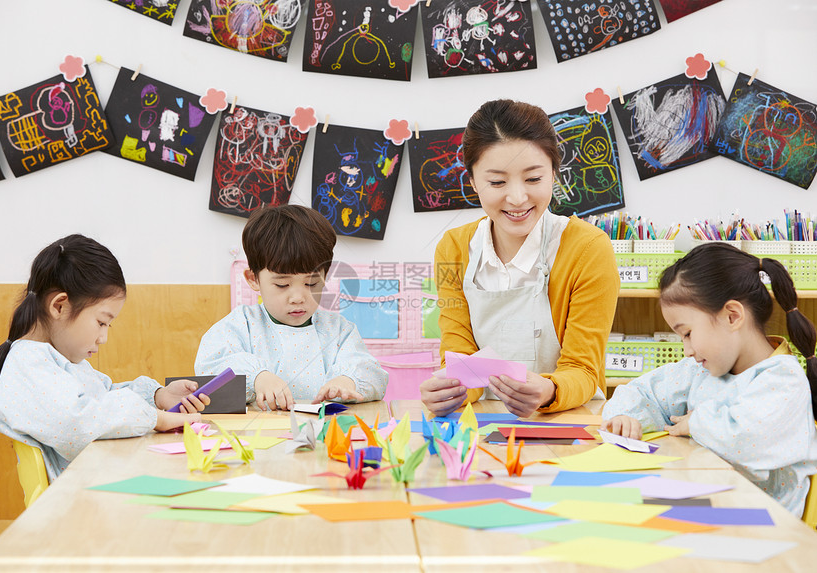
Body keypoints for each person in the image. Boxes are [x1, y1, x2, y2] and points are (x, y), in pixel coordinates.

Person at [421, 99, 620, 417]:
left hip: (566, 420)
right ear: (472, 182)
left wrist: (549, 390)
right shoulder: (452, 249)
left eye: (533, 179)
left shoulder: (589, 249)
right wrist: (451, 387)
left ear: (554, 173)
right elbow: (459, 355)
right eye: (497, 182)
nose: (517, 198)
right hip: (482, 422)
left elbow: (584, 370)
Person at [0, 234, 209, 481]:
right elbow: (76, 423)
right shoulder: (27, 365)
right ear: (59, 306)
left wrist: (157, 397)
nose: (103, 338)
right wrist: (155, 418)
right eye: (101, 322)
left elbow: (104, 396)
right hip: (74, 504)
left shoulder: (58, 360)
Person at [602, 243, 817, 516]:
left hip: (760, 523)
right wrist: (626, 418)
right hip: (704, 504)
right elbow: (644, 392)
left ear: (732, 316)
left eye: (688, 333)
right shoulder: (701, 371)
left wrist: (695, 422)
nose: (687, 350)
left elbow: (746, 439)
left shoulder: (784, 380)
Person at [194, 204, 388, 411]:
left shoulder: (339, 330)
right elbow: (208, 371)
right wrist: (257, 377)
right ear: (254, 280)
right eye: (282, 285)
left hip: (324, 435)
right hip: (258, 437)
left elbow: (371, 372)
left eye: (311, 283)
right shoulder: (241, 325)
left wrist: (347, 381)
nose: (297, 298)